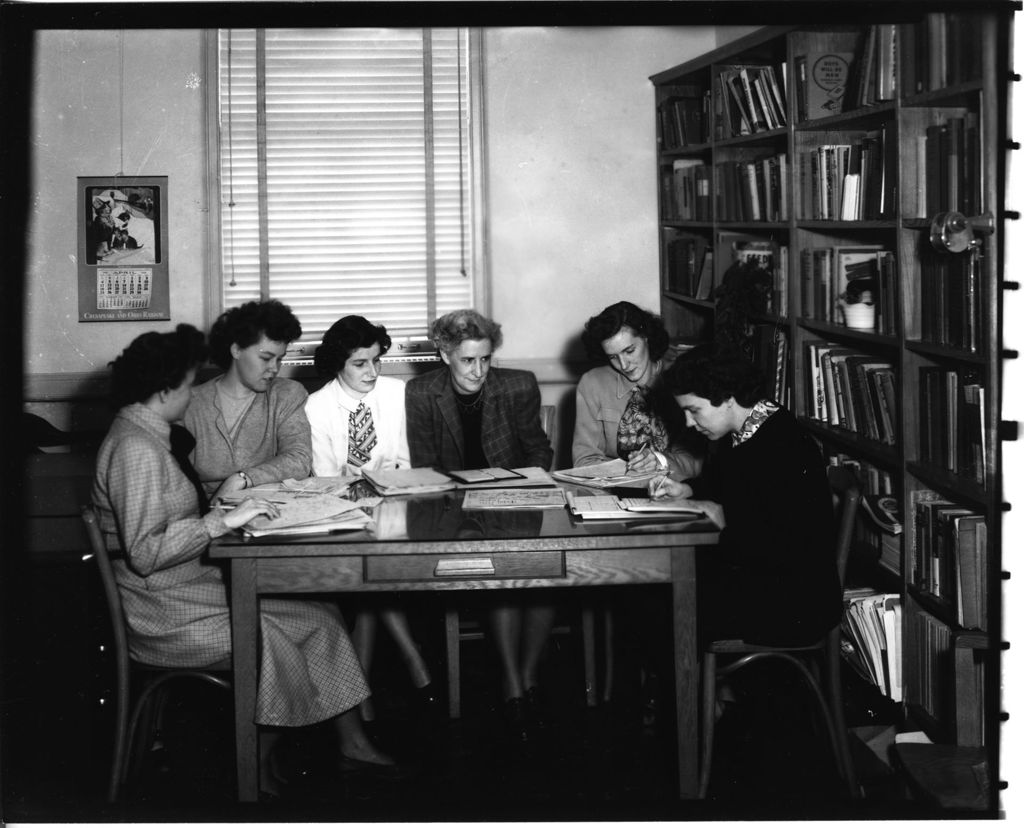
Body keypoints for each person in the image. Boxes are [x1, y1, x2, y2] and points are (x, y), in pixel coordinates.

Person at [90, 325, 393, 797]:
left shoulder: (143, 434)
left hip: (182, 592)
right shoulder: (136, 449)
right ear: (166, 388)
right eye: (190, 385)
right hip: (165, 614)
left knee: (320, 619)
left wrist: (221, 513)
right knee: (299, 626)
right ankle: (254, 765)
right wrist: (220, 523)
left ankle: (292, 752)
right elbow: (147, 554)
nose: (193, 396)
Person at [405, 309, 554, 741]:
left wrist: (526, 482)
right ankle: (513, 682)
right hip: (454, 510)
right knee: (503, 571)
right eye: (468, 360)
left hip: (514, 502)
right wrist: (462, 505)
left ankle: (525, 678)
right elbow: (426, 466)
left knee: (547, 568)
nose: (479, 370)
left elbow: (538, 450)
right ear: (445, 354)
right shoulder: (421, 392)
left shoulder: (517, 385)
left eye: (486, 359)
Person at [648, 342, 842, 647]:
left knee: (668, 600)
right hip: (765, 582)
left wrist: (725, 519)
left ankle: (690, 694)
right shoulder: (744, 430)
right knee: (662, 588)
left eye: (693, 410)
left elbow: (779, 545)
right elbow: (728, 486)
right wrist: (687, 489)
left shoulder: (782, 446)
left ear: (726, 398)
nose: (688, 422)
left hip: (793, 600)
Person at [305, 315, 438, 723]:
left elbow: (407, 462)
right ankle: (411, 657)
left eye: (376, 360)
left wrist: (380, 489)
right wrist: (363, 491)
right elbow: (327, 480)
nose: (373, 372)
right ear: (338, 364)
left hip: (395, 506)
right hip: (343, 513)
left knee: (373, 570)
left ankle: (360, 695)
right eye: (359, 364)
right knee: (368, 569)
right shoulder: (318, 406)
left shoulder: (396, 393)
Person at [184, 299, 311, 501]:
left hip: (269, 507)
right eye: (265, 357)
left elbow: (299, 459)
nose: (274, 368)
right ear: (236, 350)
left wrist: (242, 479)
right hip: (202, 513)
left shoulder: (287, 394)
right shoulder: (190, 403)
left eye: (279, 359)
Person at [573, 300, 703, 481]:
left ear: (647, 337)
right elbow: (585, 460)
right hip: (612, 490)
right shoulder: (593, 383)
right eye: (613, 357)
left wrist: (661, 462)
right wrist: (627, 473)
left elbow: (695, 462)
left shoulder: (682, 379)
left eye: (629, 350)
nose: (624, 365)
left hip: (673, 488)